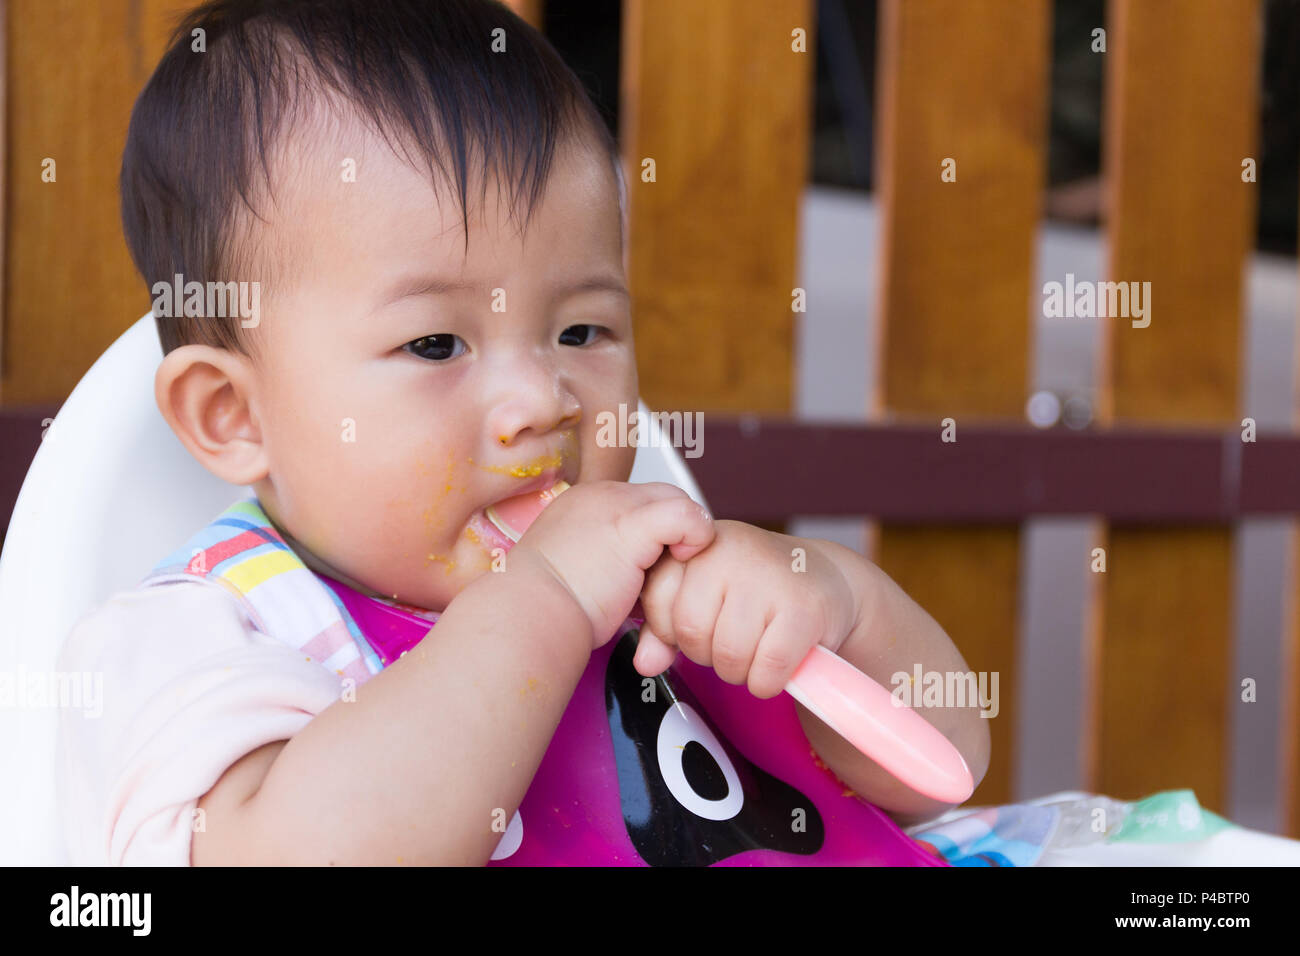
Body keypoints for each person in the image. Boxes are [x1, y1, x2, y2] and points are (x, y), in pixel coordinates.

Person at [56, 0, 988, 866]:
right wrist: (538, 602)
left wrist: (836, 605)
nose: (545, 398)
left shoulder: (658, 593)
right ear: (234, 414)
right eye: (434, 343)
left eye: (581, 331)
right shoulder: (207, 636)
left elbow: (934, 776)